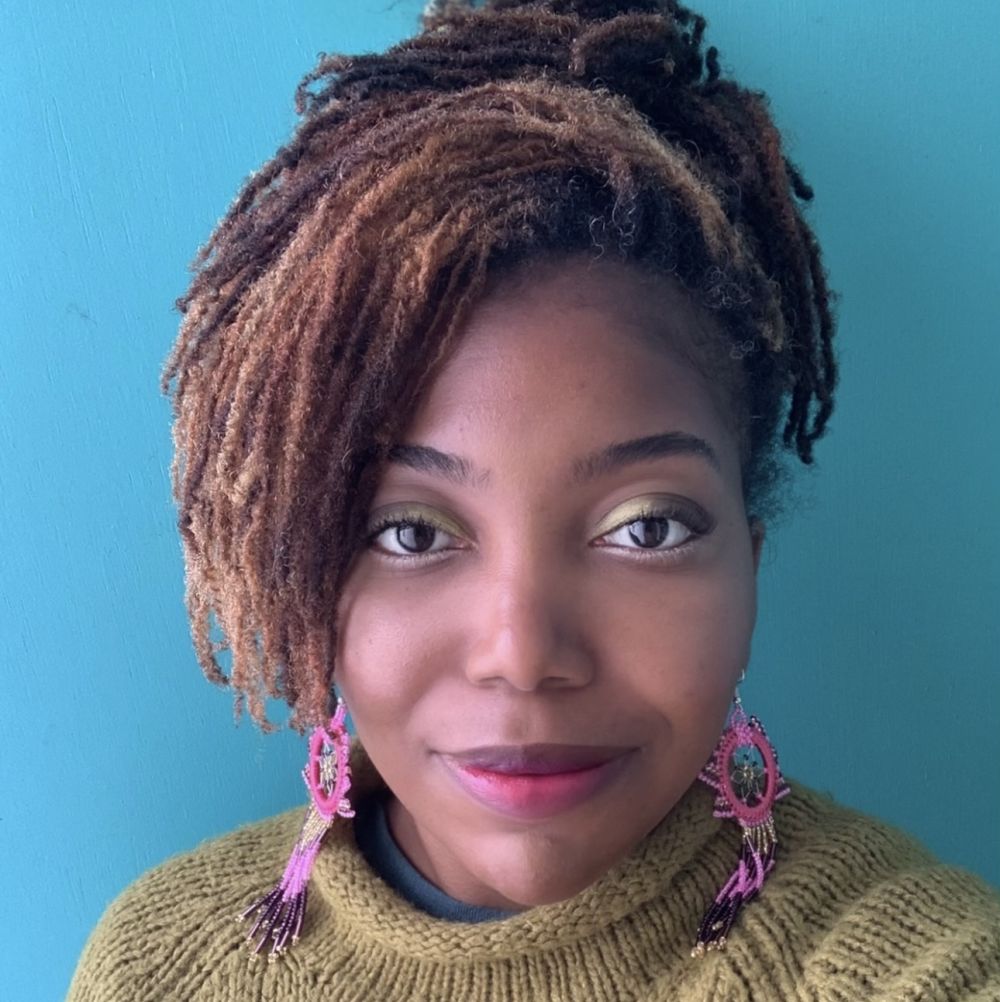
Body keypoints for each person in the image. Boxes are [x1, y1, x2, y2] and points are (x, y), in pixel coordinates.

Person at [67, 0, 1000, 998]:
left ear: (750, 563)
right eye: (409, 532)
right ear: (303, 573)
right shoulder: (161, 966)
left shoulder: (919, 970)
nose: (520, 655)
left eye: (646, 527)